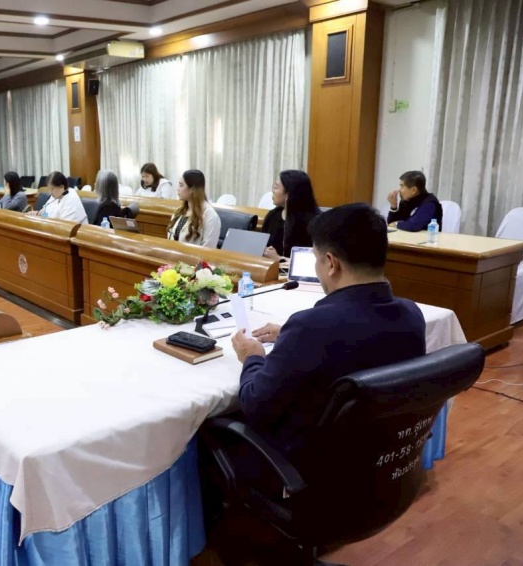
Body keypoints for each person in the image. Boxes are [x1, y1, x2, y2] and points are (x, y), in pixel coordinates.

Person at [230, 203, 426, 463]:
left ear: (331, 263)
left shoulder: (309, 328)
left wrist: (252, 356)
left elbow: (254, 405)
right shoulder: (412, 314)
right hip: (384, 458)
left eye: (316, 258)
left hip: (310, 466)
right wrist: (289, 336)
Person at [262, 170, 321, 261]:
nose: (272, 191)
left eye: (276, 187)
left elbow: (314, 260)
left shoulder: (315, 222)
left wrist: (279, 258)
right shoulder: (272, 215)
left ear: (289, 193)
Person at [166, 169, 221, 248]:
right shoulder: (178, 211)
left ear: (192, 189)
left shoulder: (210, 216)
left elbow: (208, 249)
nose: (178, 189)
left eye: (181, 185)